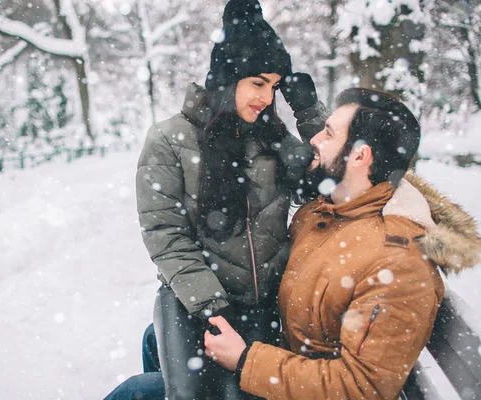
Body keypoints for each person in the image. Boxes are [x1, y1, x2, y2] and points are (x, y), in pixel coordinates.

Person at [202, 88, 481, 399]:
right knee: (159, 340)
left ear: (360, 156)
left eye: (328, 133)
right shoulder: (326, 211)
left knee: (140, 390)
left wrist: (245, 361)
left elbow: (361, 388)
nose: (314, 140)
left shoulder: (399, 265)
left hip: (292, 384)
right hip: (284, 370)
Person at [108, 0, 326, 399]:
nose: (266, 97)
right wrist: (211, 309)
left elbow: (330, 176)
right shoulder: (170, 139)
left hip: (263, 310)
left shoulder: (272, 139)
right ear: (227, 78)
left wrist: (308, 110)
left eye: (274, 86)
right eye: (258, 82)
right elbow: (165, 234)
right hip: (199, 305)